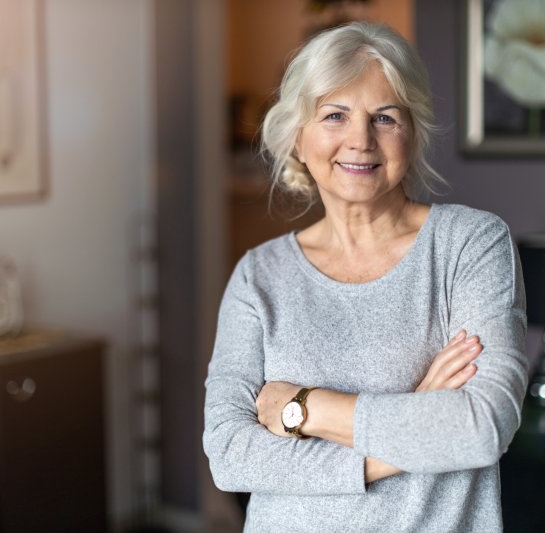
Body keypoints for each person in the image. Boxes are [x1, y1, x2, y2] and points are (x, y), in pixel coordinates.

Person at [203, 21, 528, 532]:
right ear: (297, 137)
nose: (360, 140)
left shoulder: (471, 244)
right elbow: (230, 455)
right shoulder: (258, 276)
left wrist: (304, 409)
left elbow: (482, 426)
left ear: (412, 132)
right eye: (334, 115)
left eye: (385, 117)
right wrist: (416, 418)